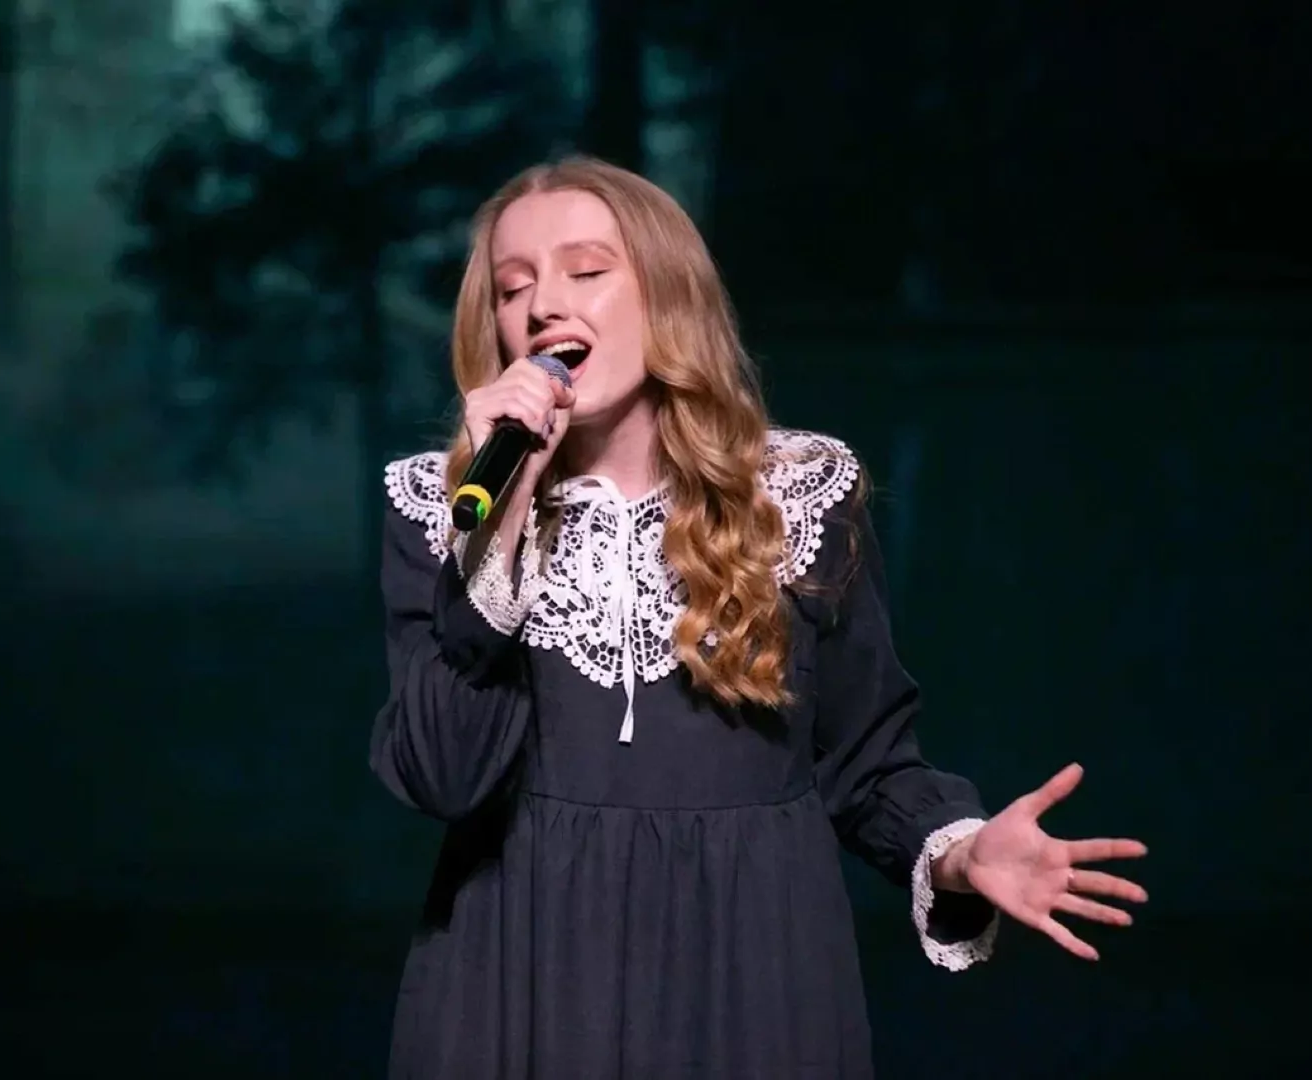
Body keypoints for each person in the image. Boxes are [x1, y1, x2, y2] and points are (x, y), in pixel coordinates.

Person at [370, 155, 1148, 1079]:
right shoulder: (442, 509)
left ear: (667, 294)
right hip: (520, 972)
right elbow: (443, 774)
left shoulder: (798, 494)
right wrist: (496, 526)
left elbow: (865, 765)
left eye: (586, 271)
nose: (543, 306)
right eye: (512, 288)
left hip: (748, 968)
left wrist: (961, 853)